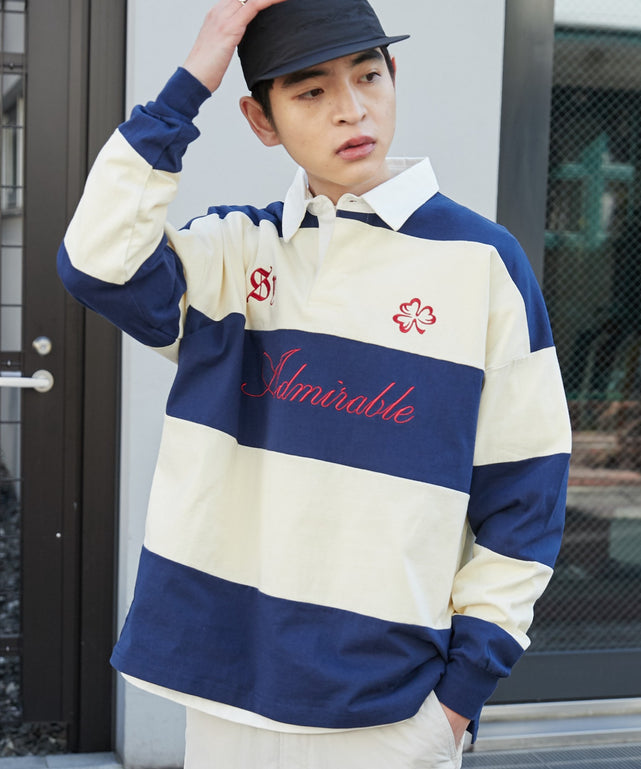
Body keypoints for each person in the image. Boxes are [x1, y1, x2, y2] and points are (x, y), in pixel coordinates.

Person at [57, 0, 572, 766]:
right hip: (227, 692)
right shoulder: (235, 254)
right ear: (260, 120)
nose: (351, 109)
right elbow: (97, 262)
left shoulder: (483, 263)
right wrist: (191, 80)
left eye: (368, 76)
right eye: (310, 91)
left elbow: (527, 491)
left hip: (391, 709)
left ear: (393, 75)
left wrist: (457, 699)